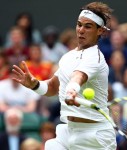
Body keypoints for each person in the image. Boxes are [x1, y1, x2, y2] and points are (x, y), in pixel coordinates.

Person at [12, 2, 117, 150]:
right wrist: (35, 85)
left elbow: (78, 76)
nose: (81, 30)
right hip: (68, 131)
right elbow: (53, 87)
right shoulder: (68, 57)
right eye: (79, 25)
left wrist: (72, 90)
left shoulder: (95, 57)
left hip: (95, 137)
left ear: (99, 30)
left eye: (88, 26)